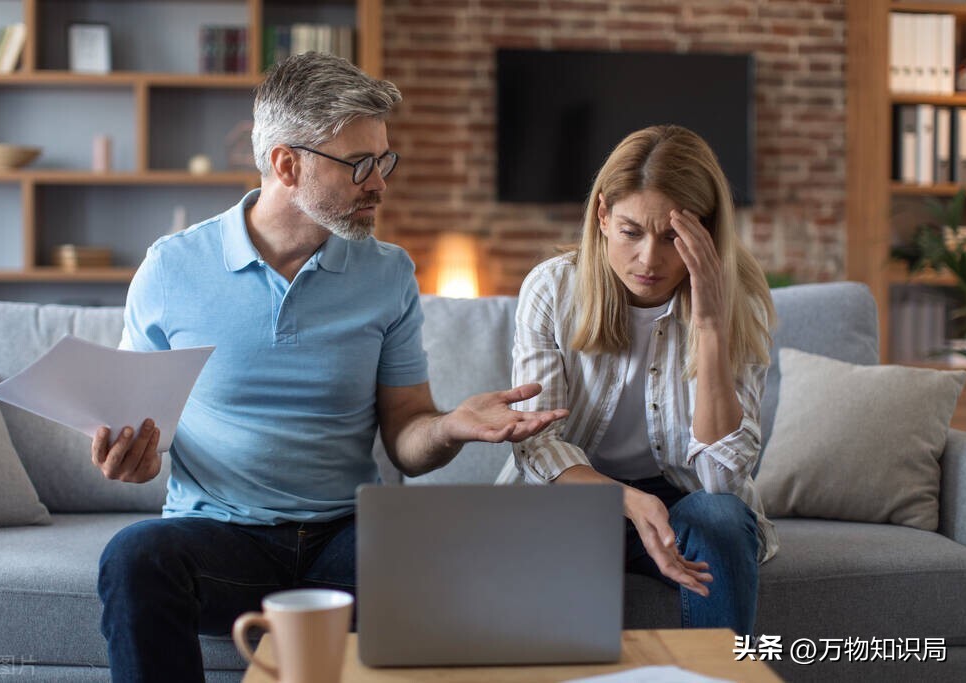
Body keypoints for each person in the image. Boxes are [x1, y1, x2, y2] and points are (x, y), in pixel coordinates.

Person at [91, 52, 567, 683]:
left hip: (347, 538)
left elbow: (406, 436)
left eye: (384, 160)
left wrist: (450, 425)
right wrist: (138, 457)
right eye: (359, 165)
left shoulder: (387, 272)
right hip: (222, 538)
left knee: (451, 553)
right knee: (133, 557)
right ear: (287, 166)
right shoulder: (172, 269)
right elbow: (138, 423)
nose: (380, 182)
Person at [496, 124, 778, 637]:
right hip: (577, 497)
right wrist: (623, 499)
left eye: (673, 236)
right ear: (602, 215)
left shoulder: (743, 304)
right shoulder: (552, 288)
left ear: (707, 232)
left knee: (718, 518)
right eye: (631, 231)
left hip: (685, 499)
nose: (650, 259)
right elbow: (536, 444)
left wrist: (711, 324)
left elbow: (721, 481)